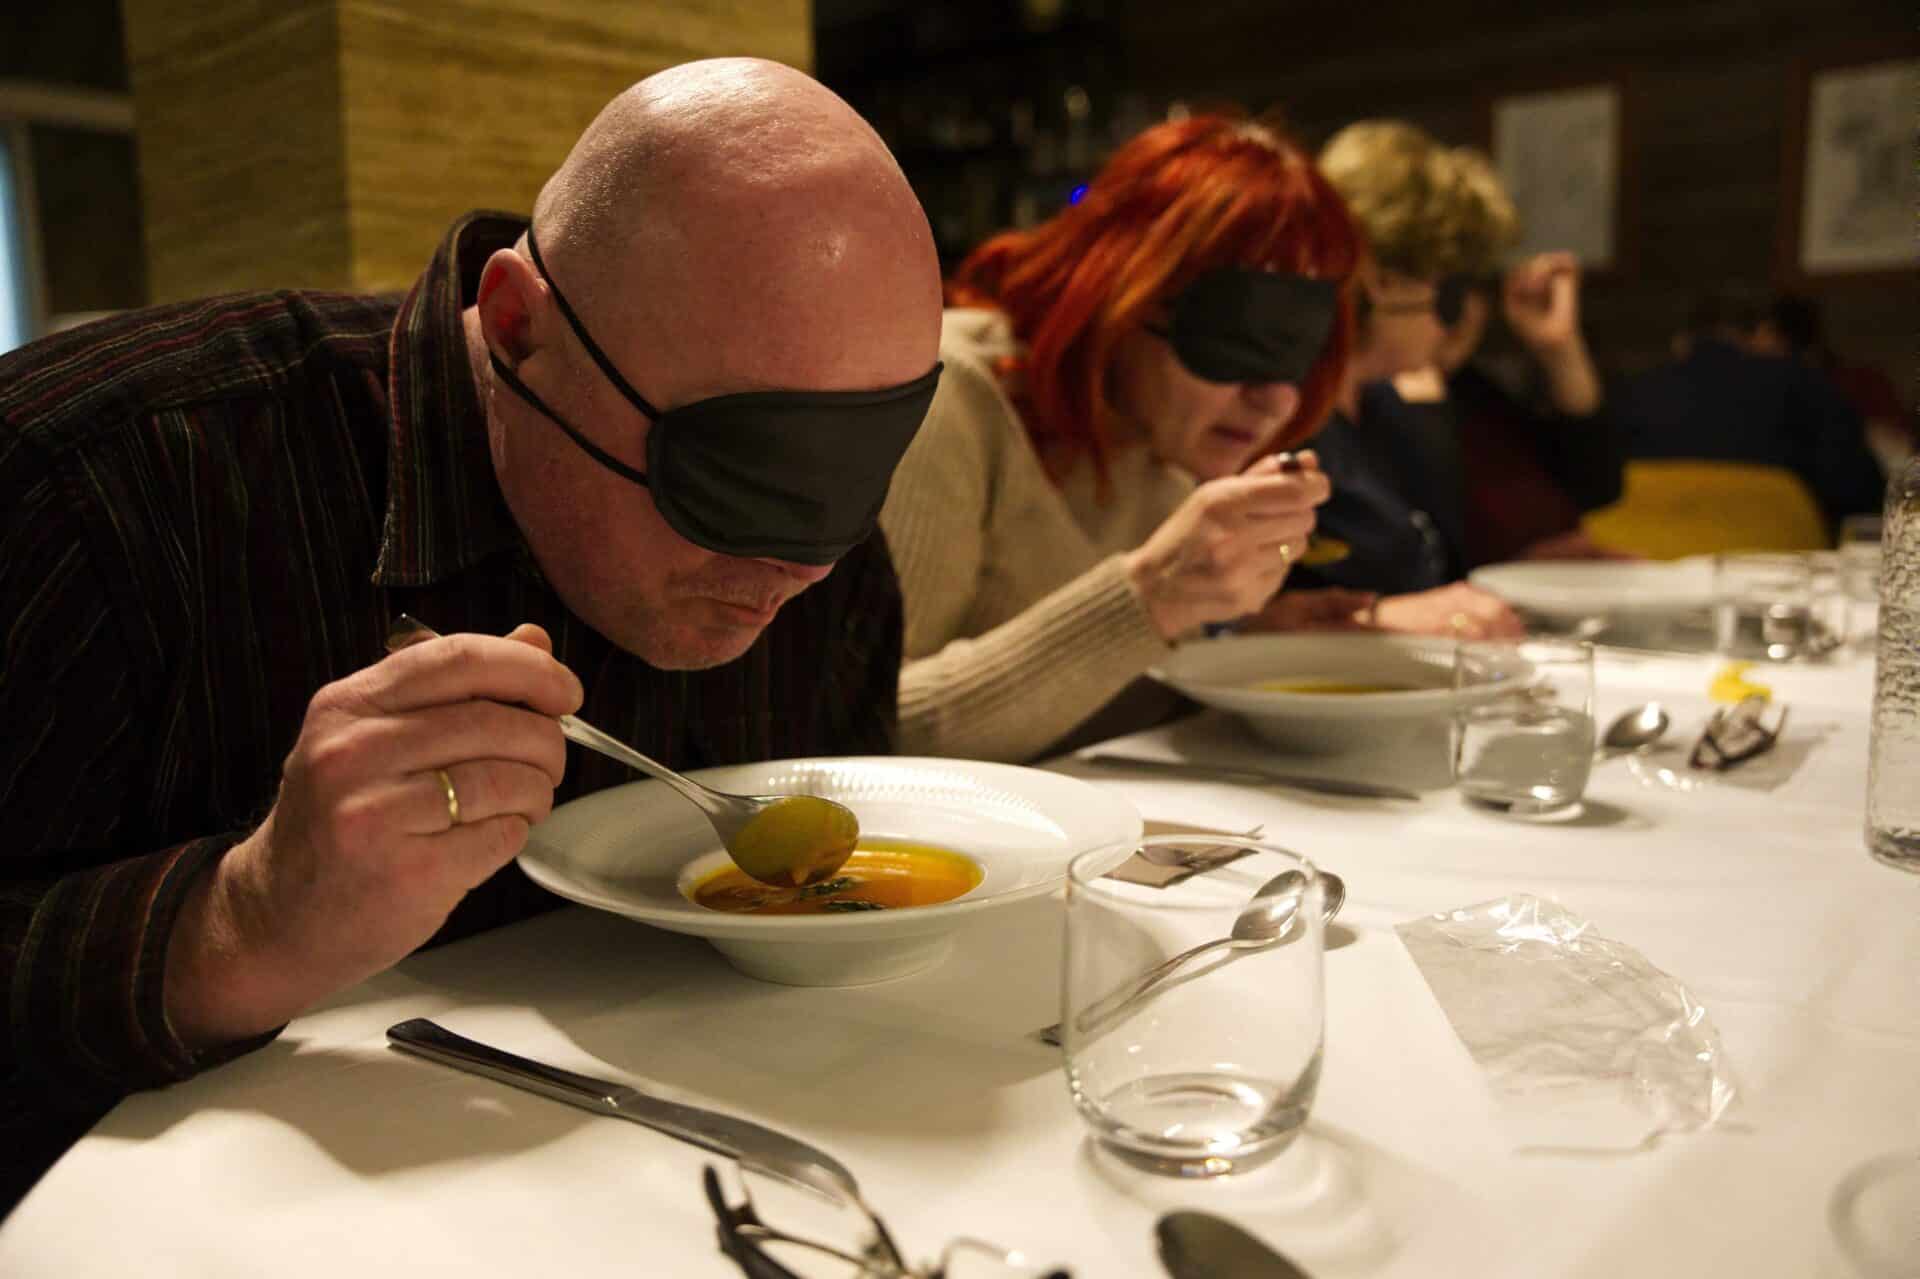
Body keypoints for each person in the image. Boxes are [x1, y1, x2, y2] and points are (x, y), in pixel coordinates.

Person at [0, 59, 943, 1212]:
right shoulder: (95, 490)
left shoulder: (824, 574)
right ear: (516, 328)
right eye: (736, 478)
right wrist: (235, 923)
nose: (803, 568)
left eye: (854, 478)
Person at [877, 112, 1368, 764]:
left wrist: (1240, 638)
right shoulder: (948, 396)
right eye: (1237, 339)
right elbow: (869, 732)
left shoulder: (1162, 438)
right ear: (1120, 293)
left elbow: (1098, 699)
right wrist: (1152, 597)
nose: (1276, 399)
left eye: (1300, 351)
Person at [1289, 120, 1604, 627]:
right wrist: (1377, 622)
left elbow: (1438, 576)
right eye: (1449, 288)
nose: (1454, 320)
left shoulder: (1397, 406)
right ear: (1382, 281)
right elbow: (1238, 616)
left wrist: (1517, 572)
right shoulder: (1277, 412)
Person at [1608, 290, 1884, 535]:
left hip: (1643, 561)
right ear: (1761, 335)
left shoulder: (1626, 392)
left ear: (1680, 343)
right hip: (1777, 560)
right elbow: (1861, 496)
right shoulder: (1807, 385)